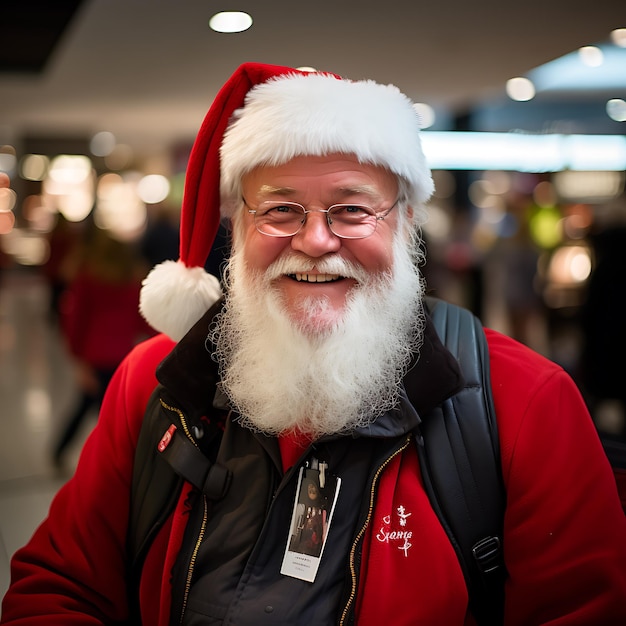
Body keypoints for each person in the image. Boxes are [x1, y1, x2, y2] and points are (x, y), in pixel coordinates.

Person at [2, 63, 626, 625]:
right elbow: (58, 587)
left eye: (352, 210)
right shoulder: (154, 383)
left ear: (407, 221)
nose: (316, 240)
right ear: (238, 226)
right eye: (280, 210)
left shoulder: (524, 403)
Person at [51, 223, 156, 467]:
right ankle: (115, 462)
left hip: (95, 355)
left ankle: (69, 453)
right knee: (112, 413)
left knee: (91, 409)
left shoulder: (87, 276)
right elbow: (142, 320)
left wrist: (78, 359)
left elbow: (75, 322)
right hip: (123, 355)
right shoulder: (132, 277)